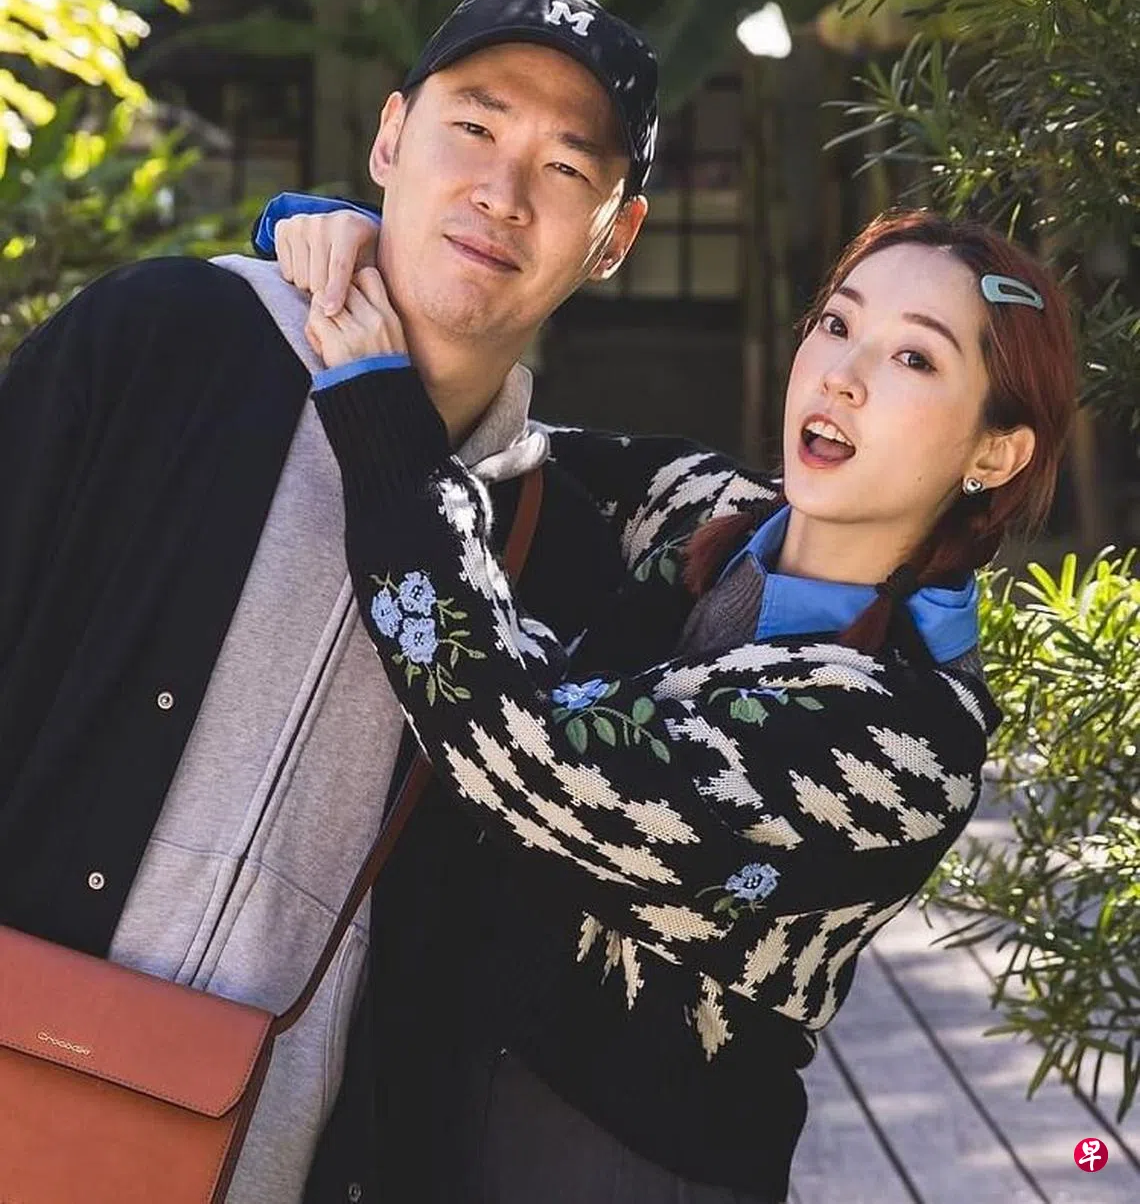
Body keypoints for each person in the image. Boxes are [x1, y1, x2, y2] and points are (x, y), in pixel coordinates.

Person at [260, 200, 1076, 1201]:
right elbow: (491, 438)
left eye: (915, 357)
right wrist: (357, 246)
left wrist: (384, 421)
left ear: (995, 453)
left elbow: (529, 760)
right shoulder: (711, 512)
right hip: (424, 1098)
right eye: (837, 323)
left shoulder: (907, 740)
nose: (843, 374)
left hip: (619, 1164)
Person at [0, 0, 658, 1204]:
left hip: (272, 1159)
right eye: (474, 127)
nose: (502, 193)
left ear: (614, 239)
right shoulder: (165, 343)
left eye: (567, 168)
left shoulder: (552, 547)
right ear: (390, 139)